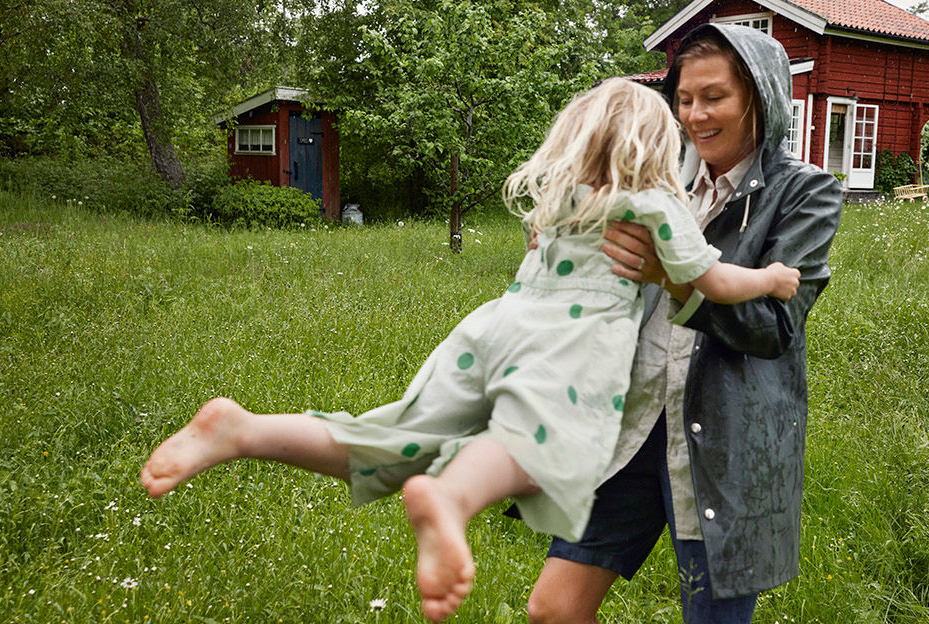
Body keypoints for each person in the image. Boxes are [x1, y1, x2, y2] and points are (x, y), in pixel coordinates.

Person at [139, 78, 802, 623]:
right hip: (566, 352)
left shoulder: (557, 199)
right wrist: (771, 278)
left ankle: (242, 430)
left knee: (397, 435)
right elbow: (715, 281)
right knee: (545, 447)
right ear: (655, 144)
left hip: (490, 330)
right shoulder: (656, 201)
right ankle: (452, 499)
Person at [525, 25, 842, 624]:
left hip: (725, 443)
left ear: (761, 98)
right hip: (634, 423)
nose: (695, 114)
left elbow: (774, 326)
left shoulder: (804, 193)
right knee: (554, 609)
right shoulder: (653, 173)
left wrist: (671, 279)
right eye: (685, 99)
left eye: (714, 97)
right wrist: (554, 233)